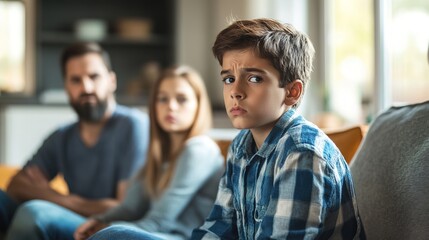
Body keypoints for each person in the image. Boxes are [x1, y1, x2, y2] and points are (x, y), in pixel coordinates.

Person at [190, 18, 366, 239]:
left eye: (254, 78)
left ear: (292, 92)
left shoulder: (302, 152)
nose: (235, 91)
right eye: (229, 79)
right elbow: (219, 226)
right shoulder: (241, 144)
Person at [0, 42, 149, 240]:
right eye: (75, 80)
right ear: (66, 87)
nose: (86, 87)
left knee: (34, 212)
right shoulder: (62, 136)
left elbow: (124, 207)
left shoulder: (133, 125)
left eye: (94, 77)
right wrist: (64, 201)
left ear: (112, 80)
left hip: (106, 226)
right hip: (70, 216)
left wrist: (53, 197)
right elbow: (16, 185)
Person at [74, 66, 224, 240]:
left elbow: (160, 221)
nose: (171, 107)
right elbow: (130, 208)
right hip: (155, 232)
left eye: (182, 99)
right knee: (43, 213)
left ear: (198, 106)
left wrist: (106, 229)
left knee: (111, 235)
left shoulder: (199, 149)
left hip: (183, 237)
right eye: (162, 99)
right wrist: (98, 220)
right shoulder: (158, 156)